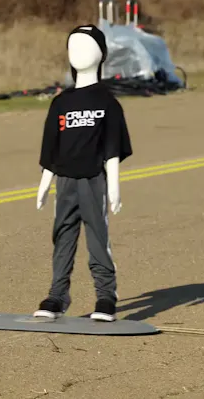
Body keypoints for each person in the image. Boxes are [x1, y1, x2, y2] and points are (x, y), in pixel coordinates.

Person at [33, 24, 133, 322]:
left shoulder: (107, 103)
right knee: (62, 235)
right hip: (65, 181)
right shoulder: (61, 103)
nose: (77, 52)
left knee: (97, 236)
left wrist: (113, 187)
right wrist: (44, 184)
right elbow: (51, 148)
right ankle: (57, 295)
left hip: (93, 180)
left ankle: (106, 295)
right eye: (73, 46)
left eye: (86, 46)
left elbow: (112, 148)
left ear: (101, 54)